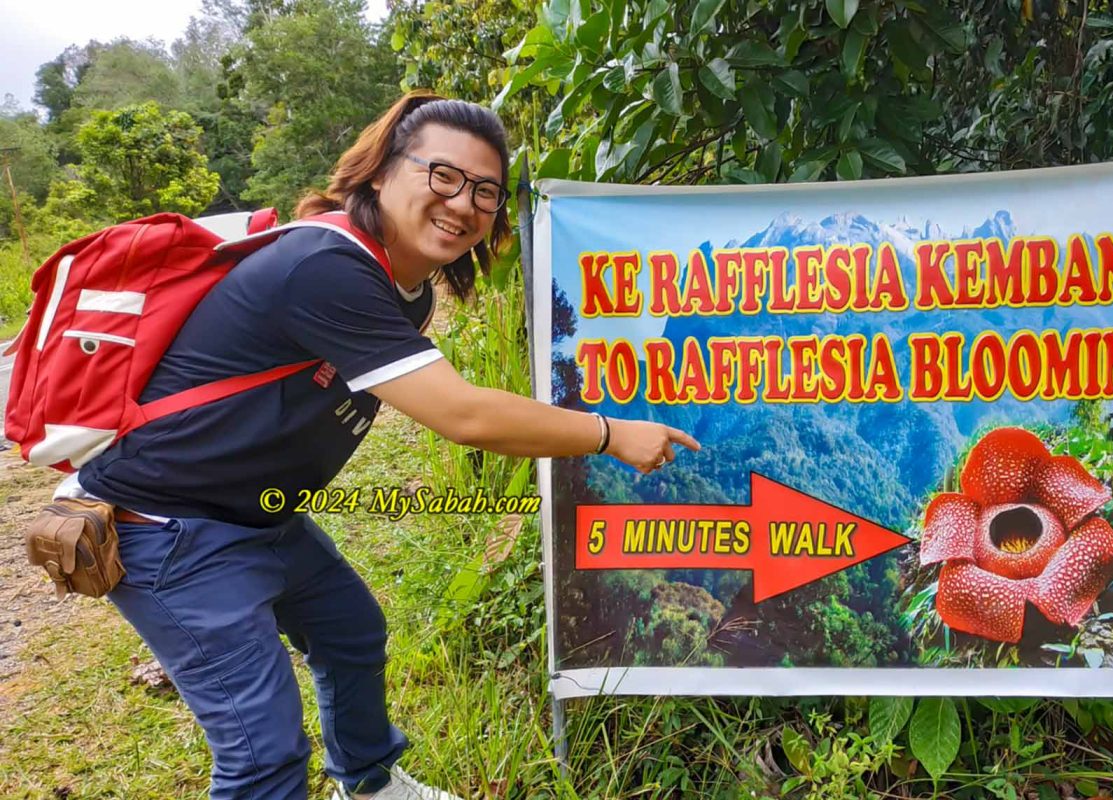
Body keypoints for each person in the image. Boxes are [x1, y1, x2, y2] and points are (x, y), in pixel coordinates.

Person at [56, 91, 699, 800]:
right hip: (171, 528)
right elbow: (464, 416)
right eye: (443, 176)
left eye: (486, 191)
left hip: (258, 514)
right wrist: (609, 433)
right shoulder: (324, 267)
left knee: (352, 633)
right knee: (262, 752)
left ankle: (367, 783)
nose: (464, 204)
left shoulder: (406, 289)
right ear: (382, 172)